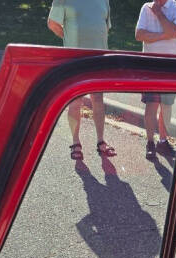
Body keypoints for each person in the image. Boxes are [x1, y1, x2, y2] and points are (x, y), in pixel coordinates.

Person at [47, 0, 116, 160]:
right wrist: (70, 39)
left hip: (98, 59)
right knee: (75, 101)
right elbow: (53, 24)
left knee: (98, 99)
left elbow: (105, 27)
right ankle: (75, 143)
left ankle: (101, 141)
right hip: (75, 59)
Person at [135, 0, 176, 159]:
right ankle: (150, 142)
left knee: (166, 106)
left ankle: (163, 141)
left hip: (171, 67)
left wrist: (158, 13)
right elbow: (139, 35)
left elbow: (175, 31)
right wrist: (164, 35)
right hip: (150, 66)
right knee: (152, 105)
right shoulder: (145, 7)